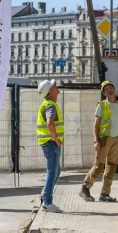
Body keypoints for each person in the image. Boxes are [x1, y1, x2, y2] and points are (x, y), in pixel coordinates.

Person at [80, 80, 118, 202]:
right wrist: (95, 141)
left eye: (111, 87)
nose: (109, 89)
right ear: (104, 93)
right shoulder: (102, 105)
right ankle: (85, 187)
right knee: (99, 166)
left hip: (116, 140)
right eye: (106, 89)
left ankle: (104, 194)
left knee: (112, 167)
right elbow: (95, 125)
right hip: (104, 139)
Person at [37, 79, 64, 213]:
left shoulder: (49, 104)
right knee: (52, 173)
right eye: (54, 85)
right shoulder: (50, 105)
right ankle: (47, 202)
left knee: (55, 172)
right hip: (51, 143)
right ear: (51, 91)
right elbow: (50, 123)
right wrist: (56, 139)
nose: (57, 86)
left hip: (49, 143)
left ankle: (46, 197)